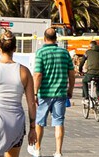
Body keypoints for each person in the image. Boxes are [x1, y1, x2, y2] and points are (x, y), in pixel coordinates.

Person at [28, 27, 73, 157]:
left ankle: (37, 149)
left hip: (44, 94)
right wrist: (70, 89)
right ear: (56, 39)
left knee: (40, 122)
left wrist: (35, 92)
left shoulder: (41, 53)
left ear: (44, 38)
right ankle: (58, 151)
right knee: (59, 122)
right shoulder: (64, 53)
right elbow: (71, 74)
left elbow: (38, 74)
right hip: (60, 93)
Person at [77, 41, 99, 117]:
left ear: (91, 46)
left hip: (91, 73)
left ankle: (86, 98)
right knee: (98, 89)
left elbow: (82, 62)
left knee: (84, 81)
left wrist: (80, 70)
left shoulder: (88, 52)